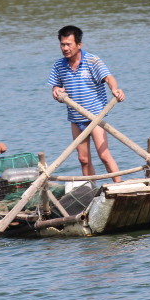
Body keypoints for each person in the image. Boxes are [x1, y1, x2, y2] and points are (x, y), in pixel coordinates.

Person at [47, 25, 125, 182]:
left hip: (95, 116)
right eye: (62, 44)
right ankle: (91, 191)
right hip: (76, 118)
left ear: (79, 45)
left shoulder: (92, 61)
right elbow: (55, 87)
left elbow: (109, 78)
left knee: (104, 155)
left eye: (69, 44)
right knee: (83, 159)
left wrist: (115, 89)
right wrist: (56, 91)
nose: (65, 48)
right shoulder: (59, 66)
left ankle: (119, 186)